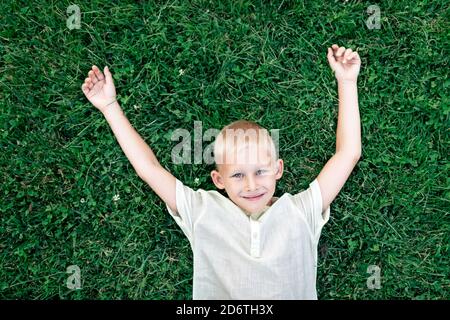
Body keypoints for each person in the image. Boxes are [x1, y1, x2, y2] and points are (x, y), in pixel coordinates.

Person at [81, 44, 362, 299]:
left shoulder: (302, 210)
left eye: (260, 171)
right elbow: (149, 169)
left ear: (278, 169)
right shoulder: (202, 210)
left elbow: (348, 154)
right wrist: (109, 106)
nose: (251, 185)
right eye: (238, 175)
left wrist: (347, 82)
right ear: (219, 180)